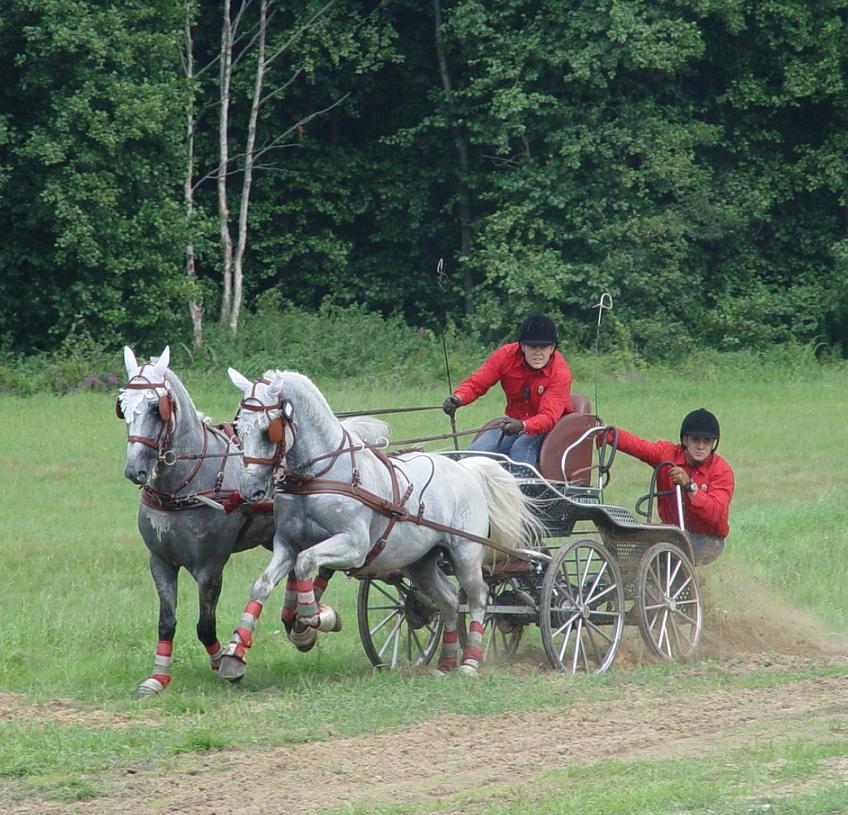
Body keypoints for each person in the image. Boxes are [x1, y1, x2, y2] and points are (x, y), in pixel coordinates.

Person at [442, 314, 573, 465]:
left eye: (543, 347)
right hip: (514, 424)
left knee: (521, 448)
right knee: (475, 454)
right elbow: (477, 383)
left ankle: (524, 487)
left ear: (552, 348)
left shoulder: (560, 372)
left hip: (548, 429)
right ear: (522, 346)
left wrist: (523, 426)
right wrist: (458, 398)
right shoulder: (505, 356)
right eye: (532, 347)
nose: (538, 353)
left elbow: (548, 418)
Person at [609, 408, 734, 565]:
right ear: (685, 440)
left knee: (662, 553)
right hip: (670, 533)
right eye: (696, 440)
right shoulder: (667, 454)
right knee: (632, 557)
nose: (701, 447)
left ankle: (660, 586)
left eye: (707, 441)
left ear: (713, 444)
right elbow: (638, 447)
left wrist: (690, 486)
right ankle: (600, 583)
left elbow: (715, 513)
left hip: (707, 539)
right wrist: (607, 434)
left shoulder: (721, 470)